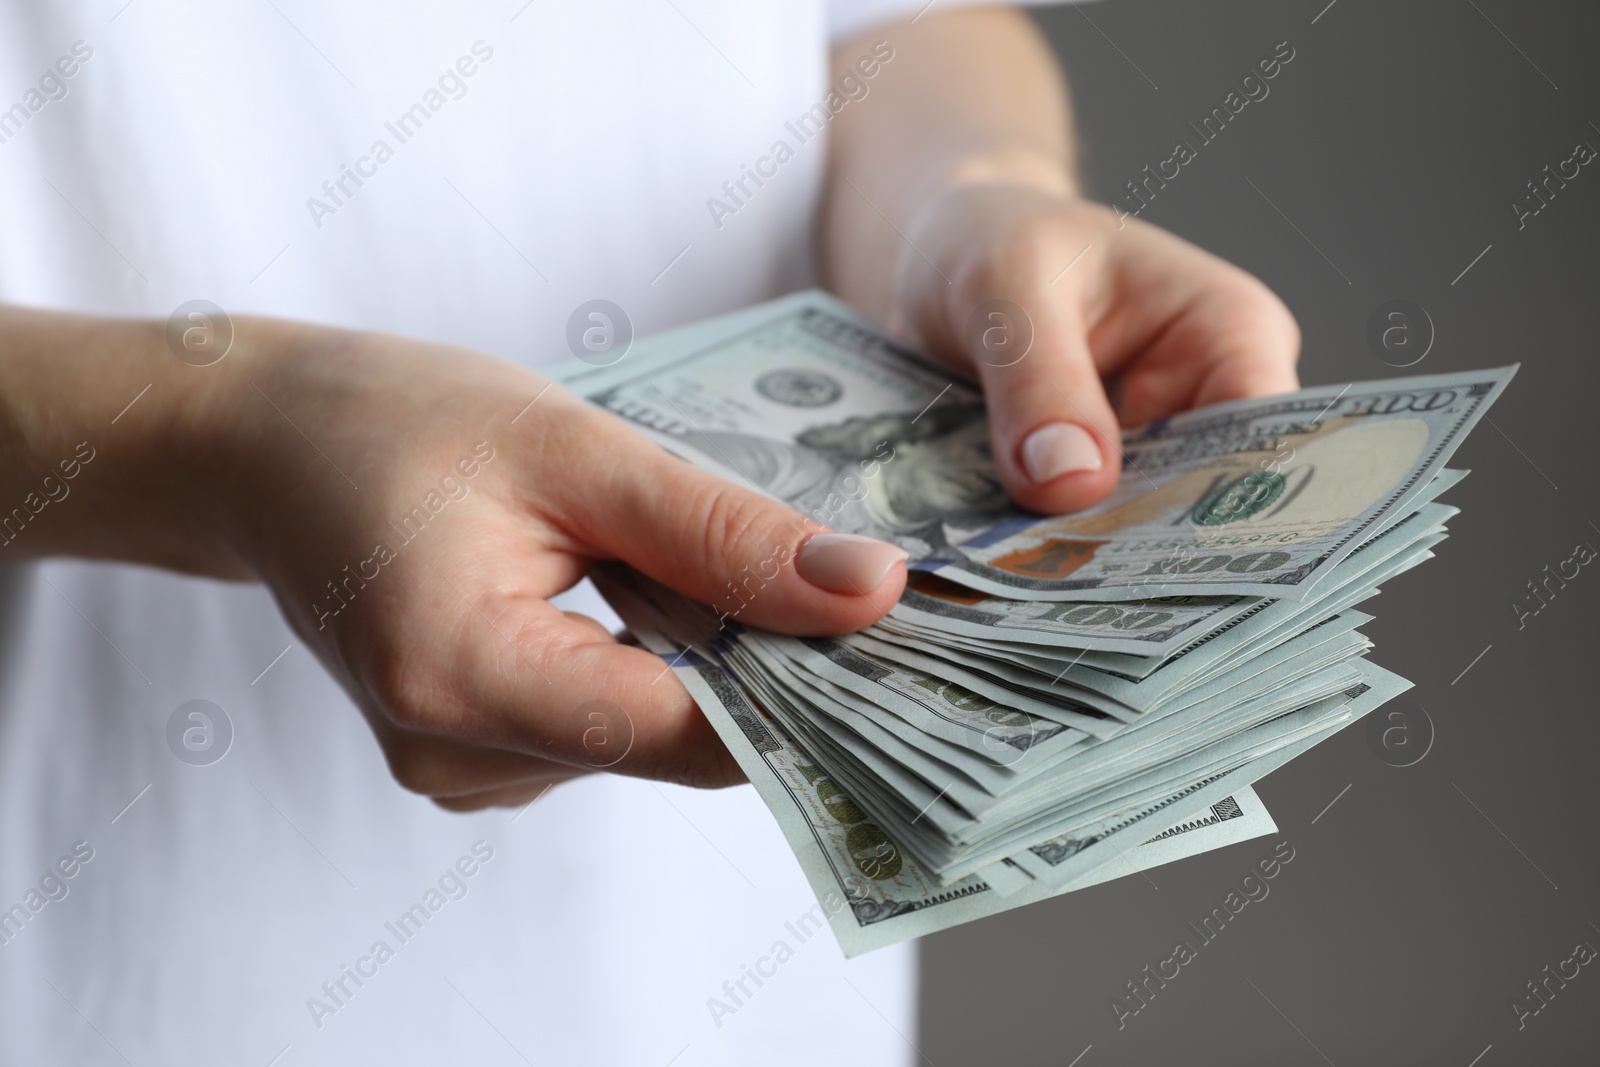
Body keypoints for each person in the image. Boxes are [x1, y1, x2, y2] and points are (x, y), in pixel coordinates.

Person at [0, 2, 1298, 1063]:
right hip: (119, 959)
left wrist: (972, 199)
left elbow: (899, 29)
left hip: (740, 975)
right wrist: (207, 436)